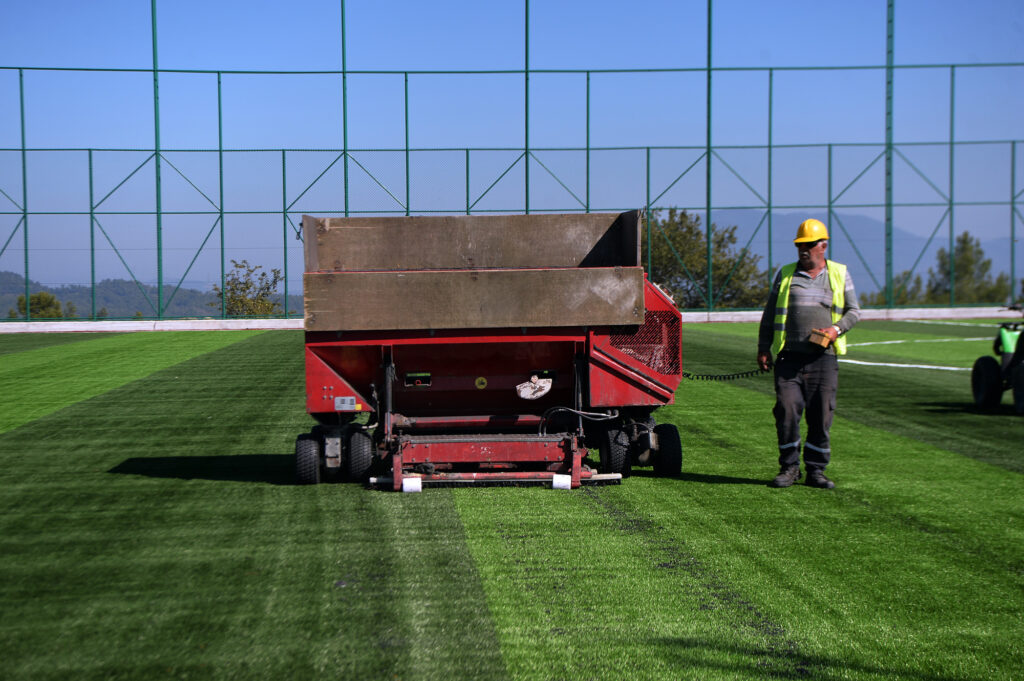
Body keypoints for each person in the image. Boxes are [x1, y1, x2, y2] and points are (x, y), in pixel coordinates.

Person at [757, 218, 860, 489]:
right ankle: (789, 467)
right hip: (789, 358)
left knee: (821, 413)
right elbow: (770, 314)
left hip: (823, 360)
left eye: (810, 244)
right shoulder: (786, 274)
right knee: (787, 410)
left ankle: (816, 470)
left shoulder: (839, 273)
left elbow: (854, 311)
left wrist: (836, 329)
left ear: (823, 245)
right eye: (800, 245)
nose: (804, 250)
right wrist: (763, 347)